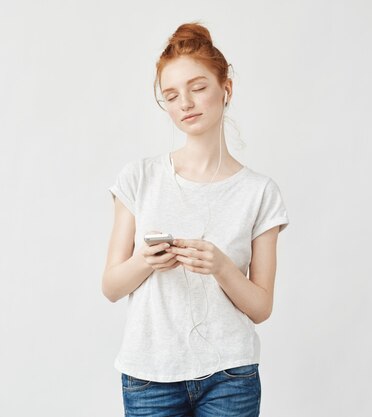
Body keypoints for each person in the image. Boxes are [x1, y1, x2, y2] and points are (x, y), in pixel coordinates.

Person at [101, 22, 290, 417]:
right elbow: (111, 286)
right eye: (171, 95)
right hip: (149, 376)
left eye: (197, 87)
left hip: (230, 377)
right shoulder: (139, 178)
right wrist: (145, 262)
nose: (185, 102)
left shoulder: (260, 192)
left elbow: (261, 307)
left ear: (226, 89)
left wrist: (222, 267)